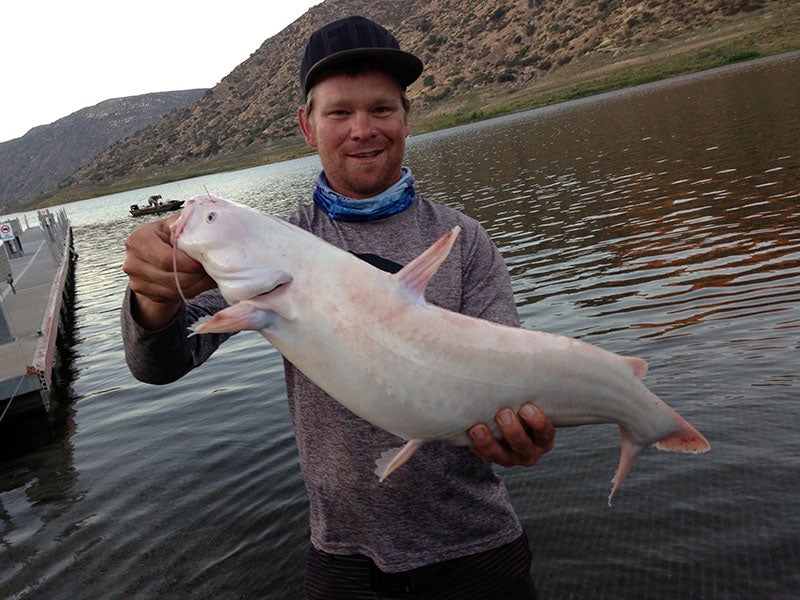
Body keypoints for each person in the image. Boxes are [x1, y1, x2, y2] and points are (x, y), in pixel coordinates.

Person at [121, 15, 555, 599]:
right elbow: (161, 364)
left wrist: (517, 433)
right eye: (339, 113)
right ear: (307, 126)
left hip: (475, 548)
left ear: (405, 117)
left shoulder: (463, 238)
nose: (362, 130)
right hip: (343, 554)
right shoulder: (262, 244)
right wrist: (154, 295)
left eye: (380, 109)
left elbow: (509, 379)